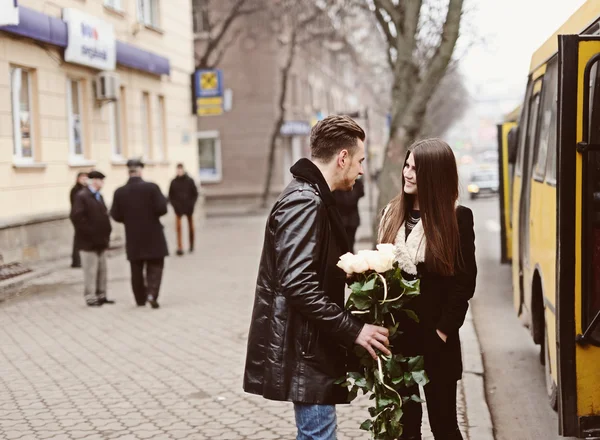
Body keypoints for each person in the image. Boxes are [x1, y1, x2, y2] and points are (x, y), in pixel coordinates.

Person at [244, 115, 391, 440]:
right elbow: (297, 284)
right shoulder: (305, 202)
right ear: (343, 158)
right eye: (360, 160)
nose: (362, 169)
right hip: (306, 352)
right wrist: (354, 330)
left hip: (310, 345)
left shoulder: (311, 197)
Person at [377, 138, 477, 440]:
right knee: (406, 429)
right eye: (406, 165)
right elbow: (380, 272)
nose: (407, 173)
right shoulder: (390, 213)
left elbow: (464, 284)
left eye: (416, 169)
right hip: (398, 342)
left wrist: (443, 332)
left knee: (444, 427)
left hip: (438, 343)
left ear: (434, 174)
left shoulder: (456, 217)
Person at [110, 159, 168, 309]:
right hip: (153, 234)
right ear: (140, 171)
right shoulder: (152, 188)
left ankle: (140, 299)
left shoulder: (120, 192)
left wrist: (129, 220)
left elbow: (115, 214)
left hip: (133, 235)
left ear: (128, 172)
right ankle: (152, 294)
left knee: (136, 269)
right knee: (155, 265)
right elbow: (162, 208)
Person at [70, 170, 114, 307]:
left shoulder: (98, 196)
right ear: (95, 181)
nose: (103, 183)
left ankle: (101, 295)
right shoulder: (82, 196)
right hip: (88, 242)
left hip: (101, 240)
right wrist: (91, 233)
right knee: (90, 270)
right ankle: (90, 296)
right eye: (101, 180)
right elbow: (77, 218)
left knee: (102, 270)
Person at [168, 163, 199, 256]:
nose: (179, 171)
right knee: (178, 228)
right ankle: (180, 247)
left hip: (188, 207)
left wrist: (191, 204)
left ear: (183, 170)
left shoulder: (190, 181)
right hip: (178, 208)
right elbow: (171, 196)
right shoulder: (173, 182)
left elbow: (195, 193)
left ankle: (191, 245)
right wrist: (175, 206)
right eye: (178, 170)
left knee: (191, 227)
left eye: (180, 169)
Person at [333, 176, 365, 253]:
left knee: (349, 243)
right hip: (343, 219)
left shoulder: (356, 183)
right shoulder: (339, 183)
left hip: (350, 219)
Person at [69, 172, 88, 268]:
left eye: (86, 178)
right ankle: (76, 261)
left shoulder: (85, 189)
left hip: (83, 217)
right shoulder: (75, 190)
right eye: (83, 178)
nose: (85, 180)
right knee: (78, 238)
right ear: (78, 179)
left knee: (82, 238)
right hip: (77, 217)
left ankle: (81, 260)